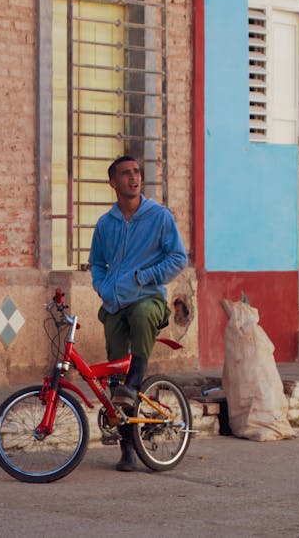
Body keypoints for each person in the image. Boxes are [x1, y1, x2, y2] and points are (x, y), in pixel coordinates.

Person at [89, 155, 188, 471]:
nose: (133, 178)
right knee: (114, 382)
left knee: (144, 313)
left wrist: (144, 276)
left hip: (149, 297)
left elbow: (178, 258)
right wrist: (104, 288)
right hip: (114, 305)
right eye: (125, 174)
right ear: (113, 183)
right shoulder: (106, 224)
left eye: (136, 173)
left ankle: (136, 380)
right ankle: (127, 448)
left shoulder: (159, 217)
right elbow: (96, 263)